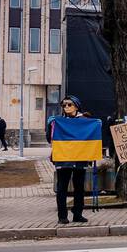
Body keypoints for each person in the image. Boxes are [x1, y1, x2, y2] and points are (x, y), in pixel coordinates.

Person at [46, 95, 91, 225]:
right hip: (63, 158)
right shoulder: (57, 121)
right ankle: (62, 216)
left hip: (80, 158)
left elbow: (91, 137)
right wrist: (50, 126)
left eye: (69, 104)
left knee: (79, 187)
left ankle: (77, 214)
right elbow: (50, 139)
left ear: (77, 106)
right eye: (64, 105)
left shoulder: (85, 120)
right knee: (62, 188)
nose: (66, 107)